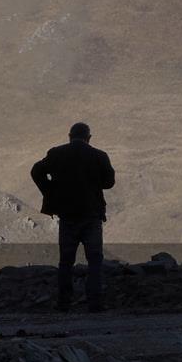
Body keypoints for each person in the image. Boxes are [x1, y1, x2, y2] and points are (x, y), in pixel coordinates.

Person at [30, 122, 115, 312]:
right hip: (91, 215)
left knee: (66, 261)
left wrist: (50, 191)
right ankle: (95, 303)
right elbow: (109, 182)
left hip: (67, 216)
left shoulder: (56, 154)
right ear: (89, 138)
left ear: (69, 136)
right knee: (95, 260)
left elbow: (36, 171)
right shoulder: (99, 156)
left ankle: (64, 303)